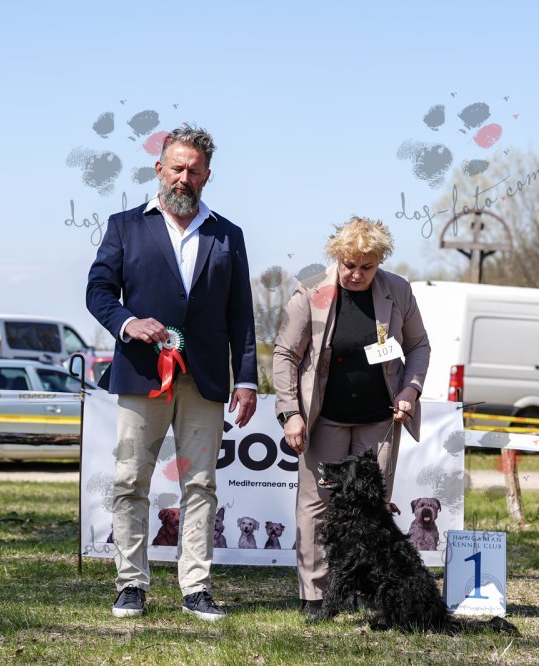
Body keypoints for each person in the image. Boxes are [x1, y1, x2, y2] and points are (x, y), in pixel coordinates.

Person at [86, 125, 257, 621]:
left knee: (201, 485)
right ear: (159, 170)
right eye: (176, 168)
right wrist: (128, 323)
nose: (184, 178)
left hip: (205, 380)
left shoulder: (228, 234)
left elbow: (241, 315)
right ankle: (130, 584)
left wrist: (246, 379)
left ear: (207, 176)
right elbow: (98, 291)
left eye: (194, 171)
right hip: (142, 374)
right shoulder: (124, 226)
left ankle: (196, 587)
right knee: (130, 481)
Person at [272, 216, 431, 619]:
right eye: (349, 265)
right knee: (317, 505)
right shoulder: (310, 288)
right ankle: (314, 595)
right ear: (336, 257)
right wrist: (290, 412)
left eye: (367, 267)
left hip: (379, 419)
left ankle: (365, 590)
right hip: (324, 417)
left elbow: (419, 346)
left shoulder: (398, 290)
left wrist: (410, 390)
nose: (356, 274)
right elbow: (286, 354)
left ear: (379, 263)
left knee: (371, 508)